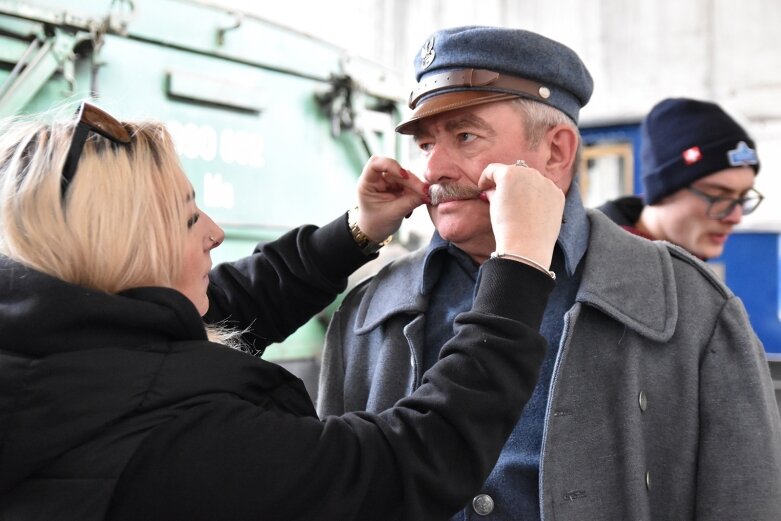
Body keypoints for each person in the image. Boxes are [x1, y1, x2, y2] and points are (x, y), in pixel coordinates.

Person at [0, 101, 567, 520]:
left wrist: (356, 231)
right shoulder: (188, 447)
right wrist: (518, 267)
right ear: (125, 251)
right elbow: (413, 460)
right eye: (189, 217)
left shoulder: (50, 342)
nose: (216, 235)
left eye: (465, 135)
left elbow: (228, 304)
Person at [317, 25, 781, 520]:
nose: (434, 171)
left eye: (466, 136)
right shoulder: (369, 312)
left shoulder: (694, 310)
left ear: (557, 152)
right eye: (427, 144)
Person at [598, 97, 763, 260]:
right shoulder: (599, 268)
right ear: (661, 192)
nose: (735, 218)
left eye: (742, 197)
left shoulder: (683, 269)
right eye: (718, 197)